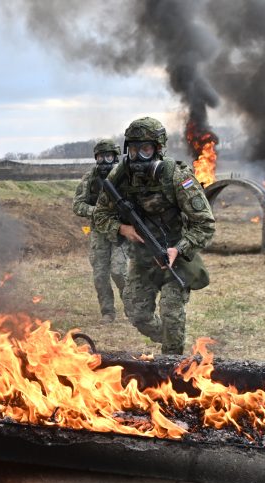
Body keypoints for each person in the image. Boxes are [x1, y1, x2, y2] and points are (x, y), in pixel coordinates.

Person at [93, 117, 215, 355]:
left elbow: (205, 224)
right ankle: (169, 338)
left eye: (146, 148)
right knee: (137, 313)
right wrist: (122, 229)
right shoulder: (121, 176)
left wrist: (179, 249)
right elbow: (100, 216)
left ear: (158, 149)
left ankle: (172, 362)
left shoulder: (177, 176)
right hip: (142, 258)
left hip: (176, 258)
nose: (139, 155)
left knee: (171, 313)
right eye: (134, 149)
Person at [72, 138, 128, 324]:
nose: (104, 161)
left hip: (121, 231)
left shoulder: (125, 176)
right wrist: (96, 211)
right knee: (100, 274)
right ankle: (108, 312)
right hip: (98, 231)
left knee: (119, 271)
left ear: (115, 157)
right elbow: (78, 205)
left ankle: (132, 307)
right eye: (101, 157)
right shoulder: (90, 178)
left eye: (109, 156)